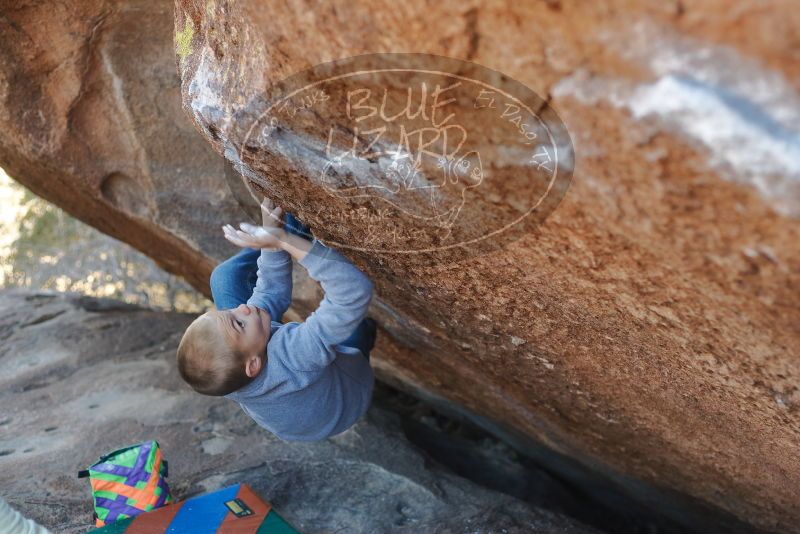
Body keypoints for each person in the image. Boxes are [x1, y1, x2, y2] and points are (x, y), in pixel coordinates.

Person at [176, 197, 377, 441]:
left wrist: (272, 243)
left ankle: (267, 235)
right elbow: (354, 291)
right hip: (346, 399)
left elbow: (270, 294)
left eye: (227, 313)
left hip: (292, 400)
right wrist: (288, 242)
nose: (243, 308)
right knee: (354, 330)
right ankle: (364, 336)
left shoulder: (231, 370)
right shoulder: (293, 356)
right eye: (238, 322)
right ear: (253, 365)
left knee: (224, 279)